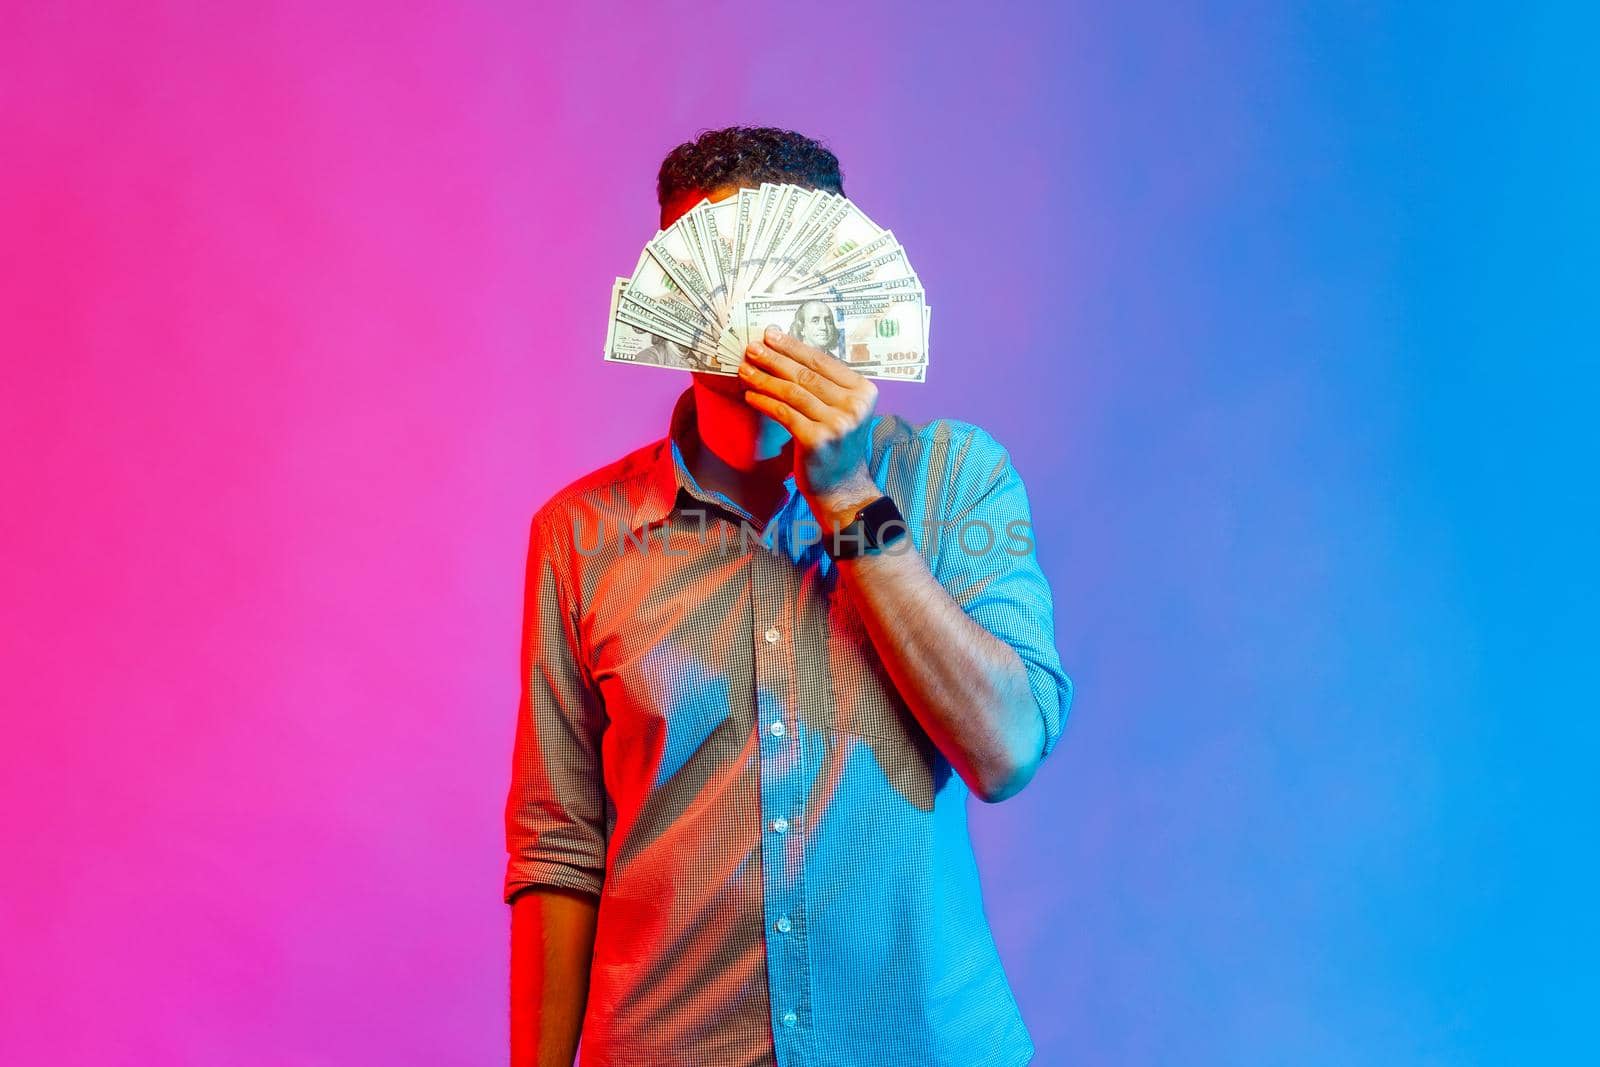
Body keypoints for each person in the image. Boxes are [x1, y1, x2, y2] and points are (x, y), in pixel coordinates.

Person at [506, 126, 1074, 1067]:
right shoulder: (580, 533)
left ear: (840, 274)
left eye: (782, 264)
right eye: (715, 267)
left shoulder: (955, 477)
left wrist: (850, 495)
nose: (752, 304)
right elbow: (559, 845)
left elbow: (1006, 747)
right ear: (672, 291)